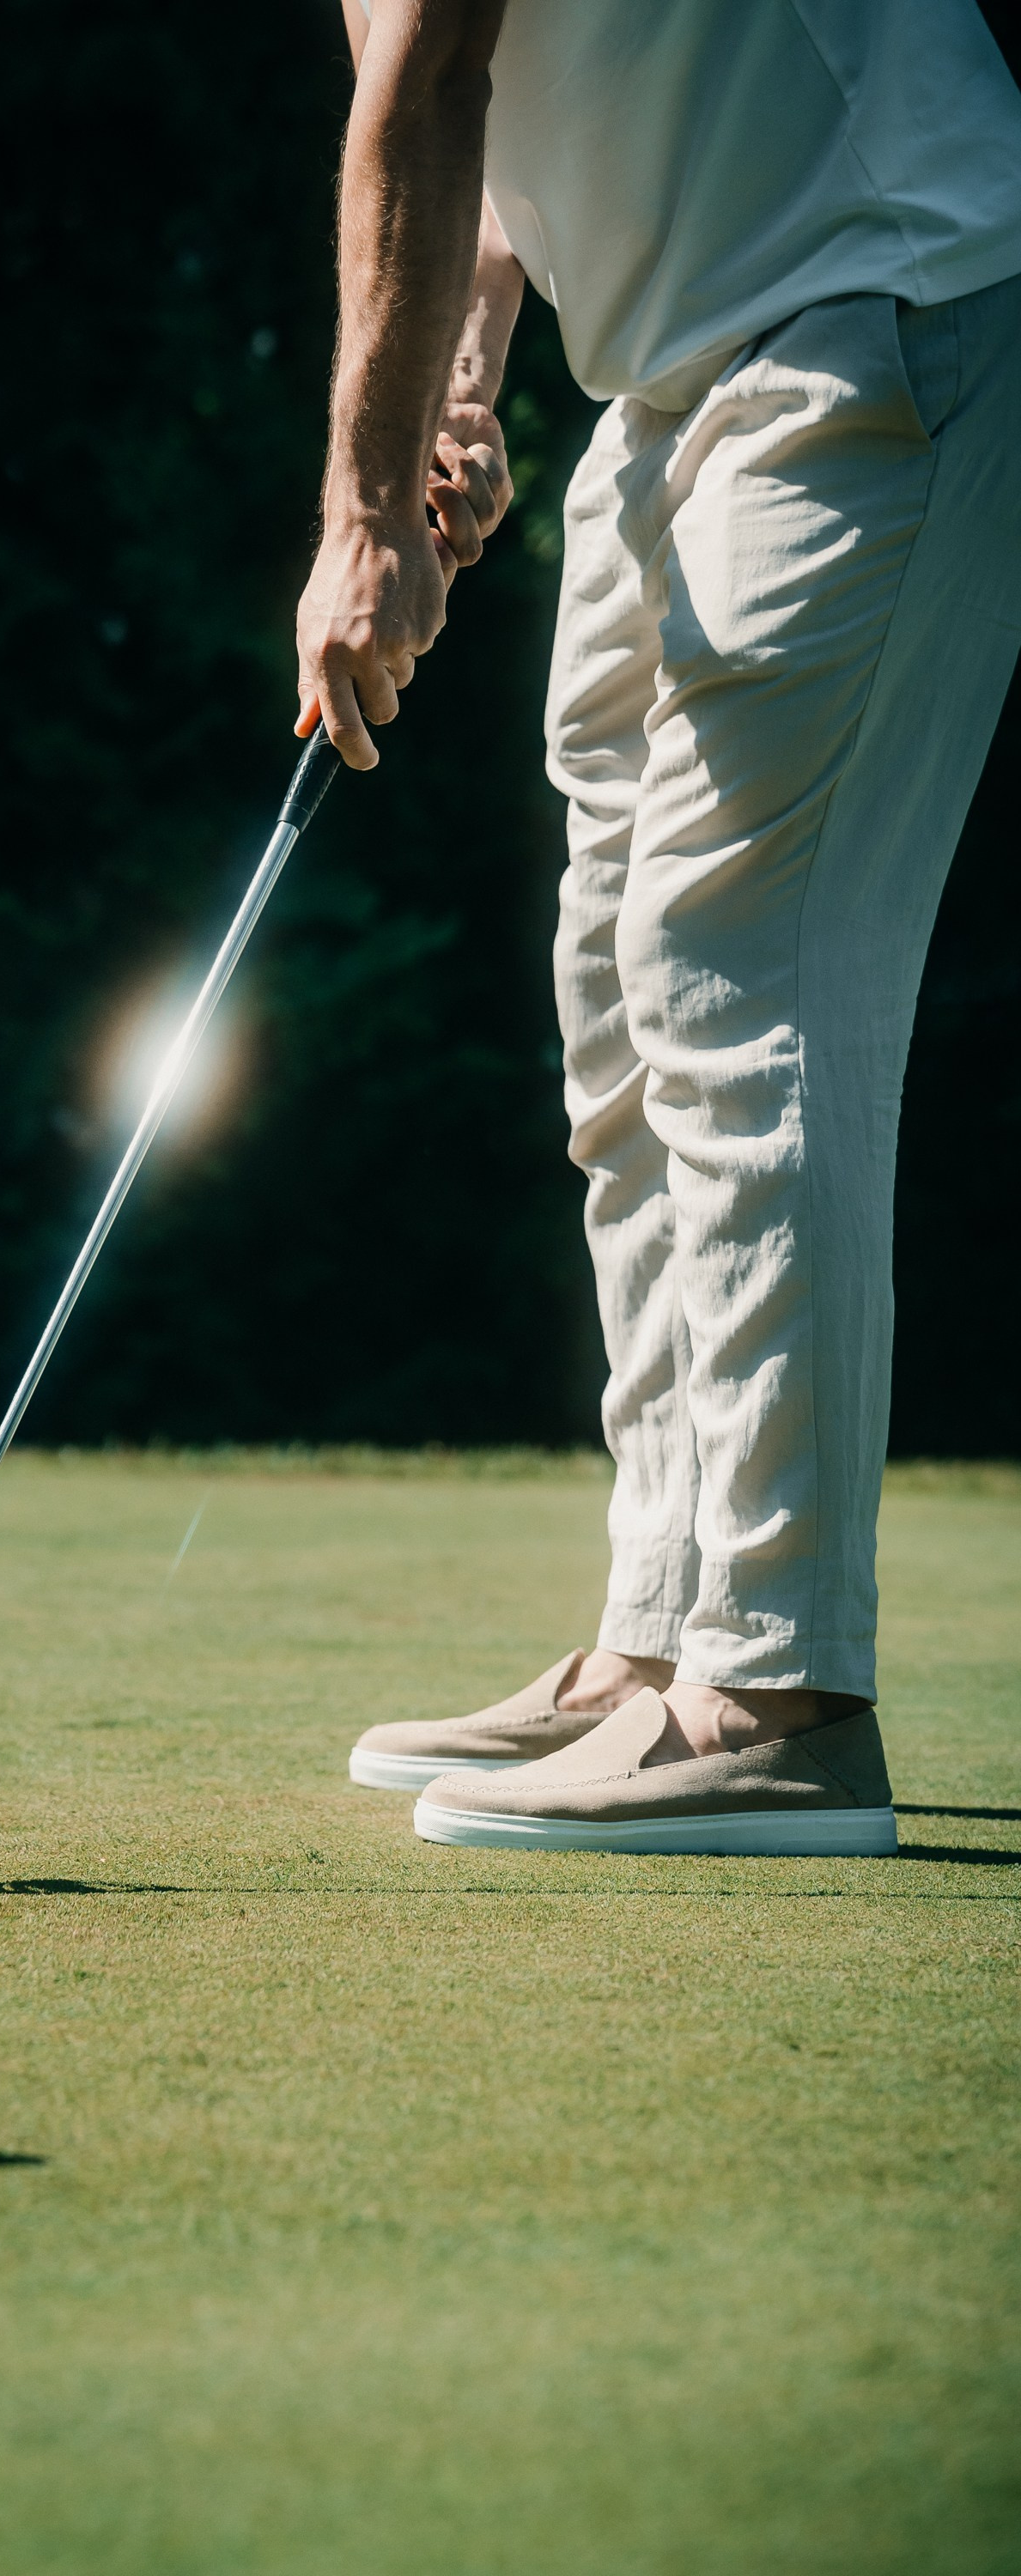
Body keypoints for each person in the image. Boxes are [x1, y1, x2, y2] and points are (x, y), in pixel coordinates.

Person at [312, 0, 1021, 1851]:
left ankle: (778, 1693)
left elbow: (431, 76)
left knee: (739, 978)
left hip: (881, 297)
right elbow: (478, 151)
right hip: (681, 370)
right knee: (622, 1010)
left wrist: (366, 506)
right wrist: (455, 375)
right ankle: (669, 1635)